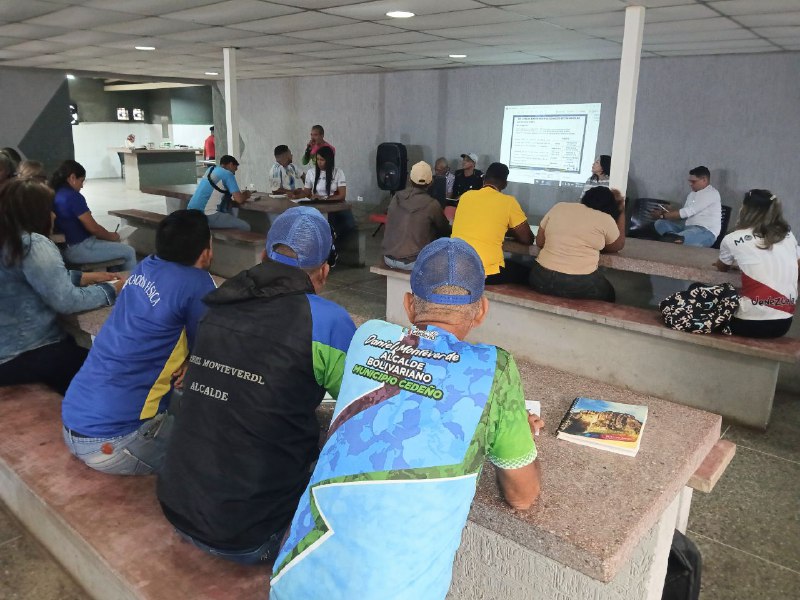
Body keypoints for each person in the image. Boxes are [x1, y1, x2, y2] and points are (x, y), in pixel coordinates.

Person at [270, 238, 543, 599]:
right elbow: (523, 496)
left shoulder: (368, 337)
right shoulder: (495, 369)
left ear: (409, 304)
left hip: (292, 579)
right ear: (481, 311)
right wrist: (512, 427)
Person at [157, 206, 356, 565]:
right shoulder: (327, 321)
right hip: (251, 535)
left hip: (177, 507)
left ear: (264, 255)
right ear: (324, 272)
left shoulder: (219, 301)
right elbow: (357, 404)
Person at [61, 210, 216, 475]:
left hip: (74, 423)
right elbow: (212, 346)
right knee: (217, 451)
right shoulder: (197, 284)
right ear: (205, 253)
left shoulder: (146, 267)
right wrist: (194, 359)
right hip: (116, 443)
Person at [0, 179, 120, 394]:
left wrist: (82, 277)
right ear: (34, 212)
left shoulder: (8, 239)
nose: (54, 216)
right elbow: (66, 301)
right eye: (49, 209)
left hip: (7, 354)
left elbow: (29, 279)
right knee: (114, 371)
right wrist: (112, 290)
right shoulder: (32, 244)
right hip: (29, 353)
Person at [714, 189, 798, 338]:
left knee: (698, 290)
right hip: (784, 324)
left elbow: (722, 268)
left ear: (745, 210)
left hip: (747, 324)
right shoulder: (787, 234)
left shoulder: (732, 238)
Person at [529, 186, 626, 302]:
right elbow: (617, 245)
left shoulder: (559, 207)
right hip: (579, 284)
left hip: (540, 278)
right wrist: (621, 211)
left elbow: (540, 242)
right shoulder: (606, 219)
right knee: (609, 293)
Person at [452, 162, 534, 284]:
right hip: (484, 273)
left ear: (484, 178)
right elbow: (527, 239)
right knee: (528, 271)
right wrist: (507, 229)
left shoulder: (465, 196)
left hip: (455, 268)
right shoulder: (508, 202)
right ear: (505, 184)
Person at [51, 160, 137, 271]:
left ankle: (115, 279)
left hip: (64, 247)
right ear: (72, 178)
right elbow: (93, 228)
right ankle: (133, 282)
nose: (82, 186)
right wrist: (114, 236)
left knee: (115, 252)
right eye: (81, 181)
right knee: (129, 251)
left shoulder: (55, 193)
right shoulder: (73, 197)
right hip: (79, 248)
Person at [382, 161, 450, 270]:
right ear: (431, 182)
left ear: (410, 179)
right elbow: (445, 231)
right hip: (413, 261)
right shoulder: (432, 204)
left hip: (388, 257)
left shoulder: (396, 197)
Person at [653, 166, 721, 247]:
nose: (690, 184)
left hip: (704, 231)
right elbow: (684, 215)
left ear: (704, 180)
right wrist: (670, 211)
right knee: (659, 223)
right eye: (690, 181)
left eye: (693, 181)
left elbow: (687, 212)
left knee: (684, 235)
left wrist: (662, 215)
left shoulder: (711, 193)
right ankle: (674, 237)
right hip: (686, 227)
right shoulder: (692, 194)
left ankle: (675, 238)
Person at [300, 145, 354, 241]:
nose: (319, 162)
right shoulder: (311, 172)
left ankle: (335, 239)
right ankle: (329, 239)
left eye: (322, 160)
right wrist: (296, 194)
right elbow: (306, 192)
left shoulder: (338, 172)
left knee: (350, 223)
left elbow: (342, 195)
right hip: (318, 205)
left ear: (329, 160)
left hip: (335, 204)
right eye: (317, 159)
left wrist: (324, 198)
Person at [187, 154, 252, 231]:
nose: (234, 173)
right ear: (231, 164)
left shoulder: (210, 170)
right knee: (245, 226)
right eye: (235, 169)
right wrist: (247, 194)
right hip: (206, 215)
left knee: (229, 216)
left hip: (191, 213)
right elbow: (239, 199)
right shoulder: (228, 174)